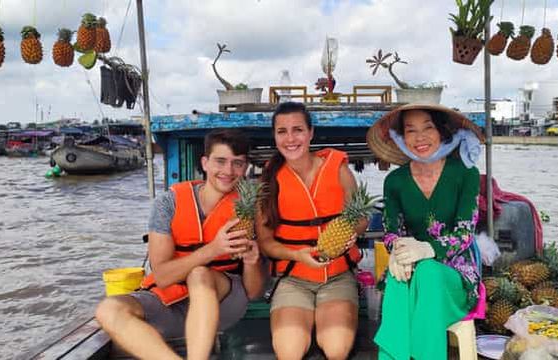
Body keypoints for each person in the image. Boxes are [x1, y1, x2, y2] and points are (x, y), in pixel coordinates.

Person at [95, 129, 265, 360]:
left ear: (245, 168)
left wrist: (252, 262)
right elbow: (163, 277)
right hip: (171, 300)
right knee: (108, 309)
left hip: (224, 301)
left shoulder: (249, 209)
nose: (228, 171)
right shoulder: (168, 203)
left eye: (237, 163)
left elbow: (254, 292)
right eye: (220, 161)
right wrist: (213, 249)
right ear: (205, 163)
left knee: (199, 275)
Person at [366, 103, 486, 360]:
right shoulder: (395, 181)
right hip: (408, 265)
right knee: (398, 279)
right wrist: (397, 252)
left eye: (428, 128)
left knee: (429, 272)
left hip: (455, 273)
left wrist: (428, 249)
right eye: (410, 131)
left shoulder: (466, 174)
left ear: (442, 132)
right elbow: (391, 231)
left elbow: (465, 232)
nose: (419, 138)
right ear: (401, 137)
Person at [256, 102, 368, 360]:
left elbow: (360, 218)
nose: (290, 138)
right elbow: (266, 243)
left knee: (336, 349)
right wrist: (298, 256)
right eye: (282, 131)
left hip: (338, 277)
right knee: (289, 351)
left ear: (310, 133)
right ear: (274, 136)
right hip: (293, 278)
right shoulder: (269, 179)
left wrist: (352, 231)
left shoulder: (337, 168)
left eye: (298, 130)